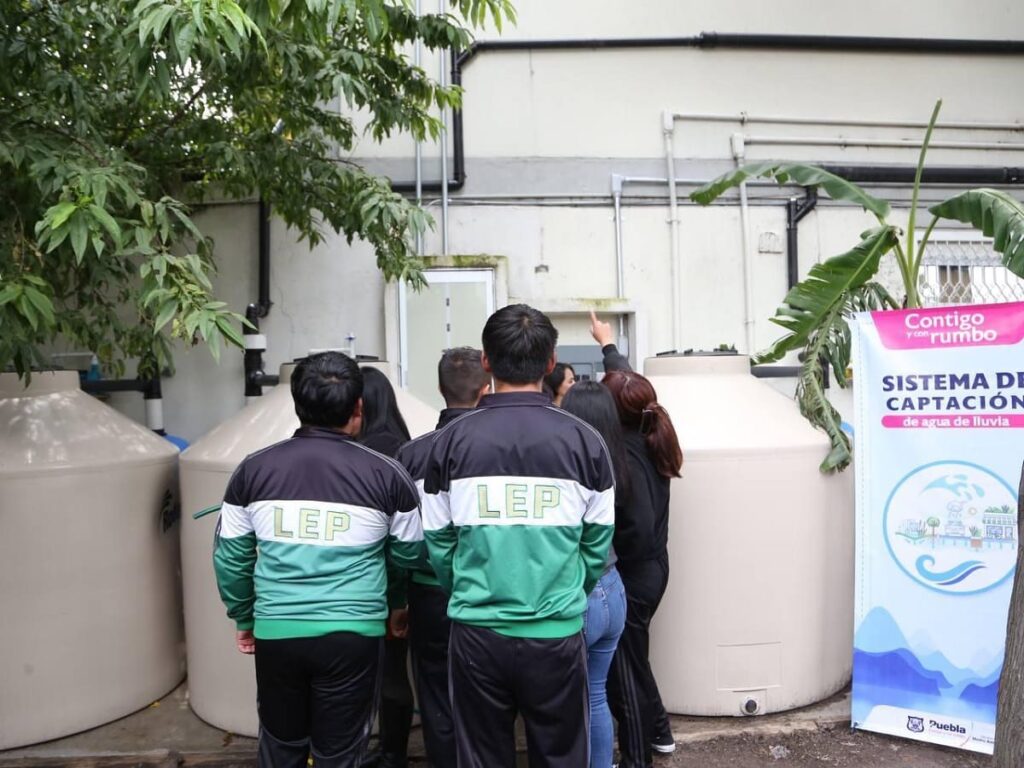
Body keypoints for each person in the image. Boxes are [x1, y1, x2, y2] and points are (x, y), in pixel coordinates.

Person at [420, 304, 615, 768]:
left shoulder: (448, 443)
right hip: (557, 633)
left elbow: (438, 543)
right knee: (562, 756)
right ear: (551, 363)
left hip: (475, 634)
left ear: (486, 362)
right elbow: (596, 544)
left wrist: (468, 591)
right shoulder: (586, 442)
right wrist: (566, 594)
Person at [212, 352, 422, 768]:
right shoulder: (387, 475)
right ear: (358, 409)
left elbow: (230, 558)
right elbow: (408, 552)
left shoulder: (252, 471)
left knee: (281, 748)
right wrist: (396, 603)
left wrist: (244, 616)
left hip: (277, 632)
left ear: (297, 404)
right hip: (354, 635)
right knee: (340, 754)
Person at [393, 347, 491, 768]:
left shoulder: (410, 455)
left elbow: (402, 540)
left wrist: (399, 598)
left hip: (430, 593)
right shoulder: (499, 447)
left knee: (435, 690)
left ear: (438, 389)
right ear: (486, 388)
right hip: (489, 590)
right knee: (489, 694)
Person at [560, 381, 629, 768]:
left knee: (568, 701)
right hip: (613, 587)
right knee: (597, 694)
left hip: (581, 590)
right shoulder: (619, 459)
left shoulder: (568, 463)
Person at [358, 366, 414, 768]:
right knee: (395, 671)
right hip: (402, 577)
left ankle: (378, 751)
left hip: (367, 580)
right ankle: (394, 751)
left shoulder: (364, 452)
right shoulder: (403, 445)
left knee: (371, 674)